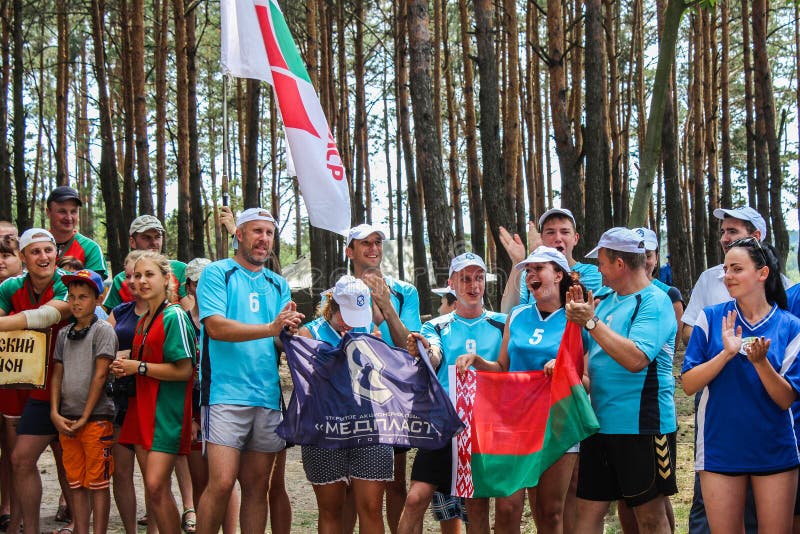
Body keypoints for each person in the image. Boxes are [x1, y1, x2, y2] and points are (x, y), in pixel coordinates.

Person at [455, 247, 581, 533]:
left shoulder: (575, 317)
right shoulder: (518, 314)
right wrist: (477, 361)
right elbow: (502, 367)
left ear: (558, 275)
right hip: (514, 421)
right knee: (508, 506)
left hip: (556, 420)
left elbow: (585, 379)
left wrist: (561, 366)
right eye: (528, 270)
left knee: (549, 513)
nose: (531, 275)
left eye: (539, 269)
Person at [195, 208, 304, 534]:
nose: (264, 239)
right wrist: (271, 327)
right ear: (239, 235)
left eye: (269, 233)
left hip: (267, 395)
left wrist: (291, 336)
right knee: (222, 483)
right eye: (256, 231)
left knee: (258, 488)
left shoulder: (277, 283)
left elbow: (280, 341)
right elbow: (216, 327)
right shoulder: (217, 274)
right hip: (224, 394)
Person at [682, 238, 800, 533]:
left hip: (775, 448)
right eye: (725, 269)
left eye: (736, 269)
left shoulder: (790, 326)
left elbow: (786, 399)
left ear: (762, 274)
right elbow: (688, 383)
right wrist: (726, 354)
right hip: (720, 447)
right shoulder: (710, 318)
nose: (728, 276)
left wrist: (761, 363)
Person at [564, 227, 677, 534]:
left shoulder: (655, 301)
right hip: (599, 425)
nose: (597, 270)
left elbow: (635, 359)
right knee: (587, 512)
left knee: (650, 516)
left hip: (643, 426)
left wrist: (590, 321)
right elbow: (585, 352)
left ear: (619, 264)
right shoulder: (605, 300)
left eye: (601, 262)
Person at [398, 253, 504, 534]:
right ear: (452, 284)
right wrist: (422, 350)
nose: (473, 285)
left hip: (484, 428)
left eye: (479, 278)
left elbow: (510, 367)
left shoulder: (503, 323)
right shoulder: (436, 325)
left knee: (477, 508)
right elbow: (433, 355)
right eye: (465, 279)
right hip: (444, 425)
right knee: (415, 498)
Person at [295, 275, 393, 533]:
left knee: (371, 507)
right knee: (331, 508)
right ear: (333, 305)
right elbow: (306, 387)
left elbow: (378, 382)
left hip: (368, 428)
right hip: (326, 432)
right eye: (347, 314)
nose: (352, 323)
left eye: (358, 315)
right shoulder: (310, 333)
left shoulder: (369, 330)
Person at [111, 252, 196, 534]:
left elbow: (184, 370)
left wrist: (139, 367)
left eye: (149, 274)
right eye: (136, 275)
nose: (141, 280)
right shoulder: (146, 317)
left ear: (166, 278)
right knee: (154, 488)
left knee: (158, 485)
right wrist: (125, 364)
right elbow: (147, 359)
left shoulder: (174, 316)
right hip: (142, 409)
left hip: (165, 413)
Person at [346, 223, 422, 531]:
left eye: (378, 242)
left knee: (393, 481)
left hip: (391, 398)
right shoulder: (337, 292)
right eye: (365, 243)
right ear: (350, 251)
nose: (374, 249)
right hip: (348, 398)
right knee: (351, 485)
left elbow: (412, 346)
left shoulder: (406, 291)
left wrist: (387, 306)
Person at [2, 229, 72, 534]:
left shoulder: (69, 282)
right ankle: (27, 528)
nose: (44, 257)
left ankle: (76, 524)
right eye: (35, 251)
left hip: (67, 383)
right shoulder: (10, 287)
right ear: (23, 257)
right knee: (20, 458)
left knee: (69, 460)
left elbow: (47, 316)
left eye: (49, 250)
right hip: (23, 381)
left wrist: (10, 321)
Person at [50, 270, 118, 534]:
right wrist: (55, 413)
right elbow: (58, 373)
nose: (76, 302)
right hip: (67, 419)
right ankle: (80, 528)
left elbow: (101, 375)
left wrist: (86, 416)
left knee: (98, 483)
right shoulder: (65, 334)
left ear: (98, 299)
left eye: (84, 297)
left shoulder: (103, 331)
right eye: (72, 297)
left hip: (96, 419)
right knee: (75, 482)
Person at [182, 258, 240, 534]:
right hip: (193, 408)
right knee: (200, 480)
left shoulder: (231, 318)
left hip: (223, 403)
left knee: (225, 480)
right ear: (190, 286)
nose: (204, 286)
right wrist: (190, 417)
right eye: (197, 281)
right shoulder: (181, 320)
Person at [107, 250, 148, 534]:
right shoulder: (119, 311)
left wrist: (135, 360)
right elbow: (101, 351)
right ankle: (131, 530)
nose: (135, 281)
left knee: (153, 477)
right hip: (119, 400)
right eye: (131, 275)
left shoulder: (168, 312)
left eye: (142, 274)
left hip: (149, 398)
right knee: (120, 473)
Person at [498, 208, 603, 314]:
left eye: (565, 232)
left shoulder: (591, 272)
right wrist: (517, 263)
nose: (558, 238)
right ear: (541, 238)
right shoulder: (528, 274)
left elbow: (576, 310)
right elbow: (508, 312)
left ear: (575, 238)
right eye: (550, 232)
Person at [102, 214, 189, 312]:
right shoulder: (121, 280)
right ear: (132, 242)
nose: (153, 242)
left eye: (157, 237)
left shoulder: (179, 269)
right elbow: (110, 320)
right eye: (146, 238)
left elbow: (191, 316)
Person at [0, 232, 24, 533]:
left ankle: (9, 509)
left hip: (15, 380)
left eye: (6, 254)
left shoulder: (19, 291)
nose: (1, 260)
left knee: (13, 450)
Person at [45, 186, 107, 279]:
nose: (69, 217)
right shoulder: (36, 246)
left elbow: (93, 289)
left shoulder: (90, 249)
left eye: (73, 211)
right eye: (62, 211)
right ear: (48, 212)